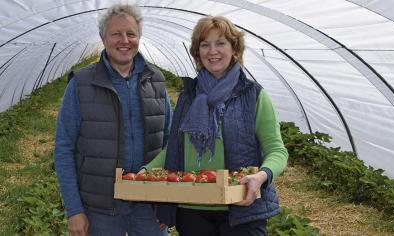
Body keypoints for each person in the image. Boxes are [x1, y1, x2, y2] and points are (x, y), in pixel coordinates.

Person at [144, 16, 288, 236]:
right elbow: (174, 148)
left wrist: (261, 176)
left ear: (234, 48)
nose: (213, 51)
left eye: (220, 43)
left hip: (240, 209)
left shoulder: (253, 95)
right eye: (205, 45)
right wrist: (144, 172)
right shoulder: (188, 96)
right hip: (191, 208)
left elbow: (276, 150)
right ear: (197, 52)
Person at [53, 4, 171, 236]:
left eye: (131, 34)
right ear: (103, 37)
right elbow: (64, 148)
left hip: (149, 204)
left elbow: (170, 142)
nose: (124, 40)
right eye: (116, 33)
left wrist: (168, 203)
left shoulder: (155, 80)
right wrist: (74, 209)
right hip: (100, 208)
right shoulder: (81, 83)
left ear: (139, 37)